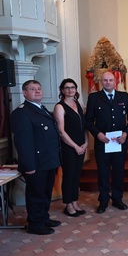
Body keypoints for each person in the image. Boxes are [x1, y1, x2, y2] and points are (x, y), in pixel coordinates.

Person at [10, 80, 61, 235]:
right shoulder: (22, 112)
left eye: (39, 88)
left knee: (45, 193)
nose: (37, 91)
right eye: (33, 89)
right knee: (36, 195)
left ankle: (43, 218)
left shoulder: (41, 109)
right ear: (24, 93)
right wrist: (29, 166)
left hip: (48, 161)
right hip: (36, 164)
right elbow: (23, 142)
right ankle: (36, 224)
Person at [86, 71, 128, 214]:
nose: (108, 82)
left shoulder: (123, 96)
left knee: (119, 171)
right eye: (105, 80)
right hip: (103, 142)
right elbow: (88, 121)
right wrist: (97, 134)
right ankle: (103, 200)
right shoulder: (94, 98)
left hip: (120, 142)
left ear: (116, 82)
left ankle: (118, 199)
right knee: (103, 172)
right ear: (101, 82)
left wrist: (126, 134)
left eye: (110, 80)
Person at [53, 79, 88, 217]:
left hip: (80, 145)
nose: (70, 90)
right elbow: (61, 131)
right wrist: (75, 146)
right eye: (67, 88)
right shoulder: (59, 107)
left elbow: (83, 126)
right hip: (68, 146)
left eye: (72, 87)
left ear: (76, 89)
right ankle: (68, 204)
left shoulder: (77, 103)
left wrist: (85, 143)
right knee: (68, 175)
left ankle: (74, 201)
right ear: (62, 90)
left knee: (76, 175)